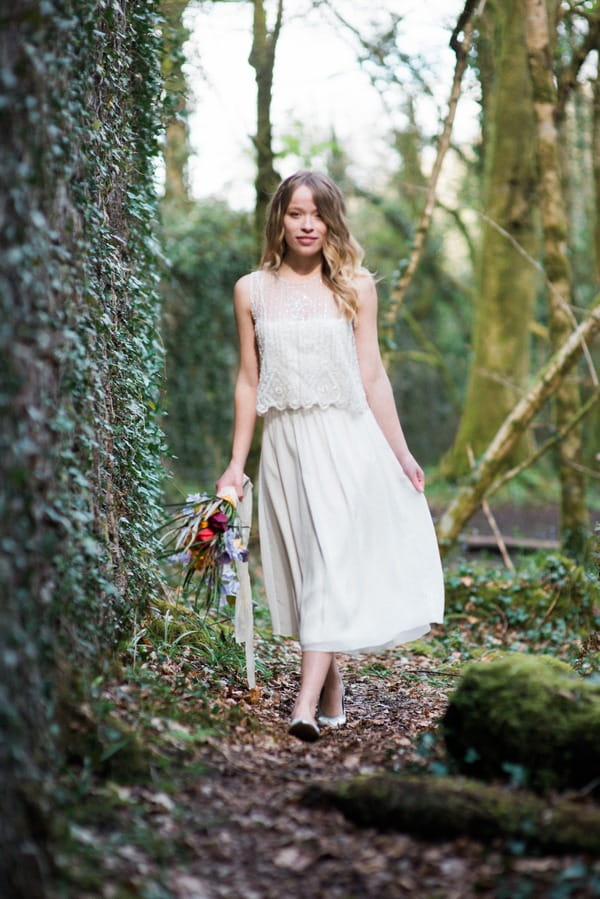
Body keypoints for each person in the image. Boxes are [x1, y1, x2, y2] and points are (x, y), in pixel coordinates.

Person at [216, 170, 444, 743]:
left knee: (331, 566)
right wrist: (235, 464)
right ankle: (333, 685)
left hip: (348, 442)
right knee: (302, 574)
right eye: (296, 213)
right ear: (280, 219)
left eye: (317, 213)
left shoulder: (356, 285)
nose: (307, 223)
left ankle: (303, 701)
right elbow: (249, 381)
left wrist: (402, 453)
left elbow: (373, 376)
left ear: (332, 220)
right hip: (287, 449)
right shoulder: (252, 290)